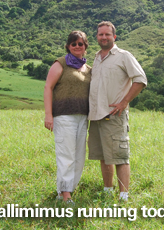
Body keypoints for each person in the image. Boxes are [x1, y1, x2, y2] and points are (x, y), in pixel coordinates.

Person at [88, 21, 147, 201]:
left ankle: (123, 195)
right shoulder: (97, 58)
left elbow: (140, 79)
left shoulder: (124, 56)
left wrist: (124, 102)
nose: (104, 37)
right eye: (100, 34)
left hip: (115, 115)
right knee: (104, 155)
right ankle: (107, 190)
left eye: (107, 34)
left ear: (114, 36)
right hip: (97, 115)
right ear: (97, 37)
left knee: (120, 156)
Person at [44, 30, 91, 204]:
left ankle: (65, 190)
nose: (77, 46)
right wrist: (48, 115)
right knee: (66, 155)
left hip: (82, 117)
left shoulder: (88, 69)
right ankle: (66, 195)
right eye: (74, 44)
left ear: (85, 47)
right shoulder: (60, 64)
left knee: (79, 157)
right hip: (64, 116)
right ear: (68, 46)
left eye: (81, 44)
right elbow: (48, 88)